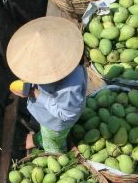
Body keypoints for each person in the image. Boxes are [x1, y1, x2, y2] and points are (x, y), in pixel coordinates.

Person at [6, 16, 87, 154]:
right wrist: (28, 86)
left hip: (56, 124)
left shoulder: (70, 88)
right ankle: (40, 138)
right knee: (47, 132)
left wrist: (36, 94)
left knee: (53, 144)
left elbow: (67, 114)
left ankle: (58, 152)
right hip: (47, 117)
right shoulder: (71, 63)